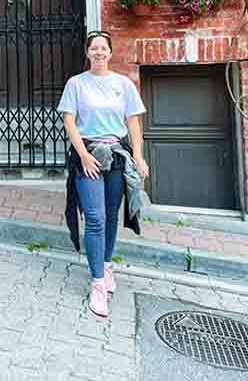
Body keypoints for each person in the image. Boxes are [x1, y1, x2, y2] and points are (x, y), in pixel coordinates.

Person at [58, 30, 149, 319]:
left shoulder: (123, 84)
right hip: (89, 156)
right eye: (94, 48)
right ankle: (98, 284)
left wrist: (138, 156)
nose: (99, 52)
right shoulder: (76, 84)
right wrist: (83, 155)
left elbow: (133, 123)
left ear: (111, 53)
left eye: (103, 48)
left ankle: (107, 265)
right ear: (87, 53)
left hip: (118, 156)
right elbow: (69, 121)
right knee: (95, 218)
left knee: (111, 215)